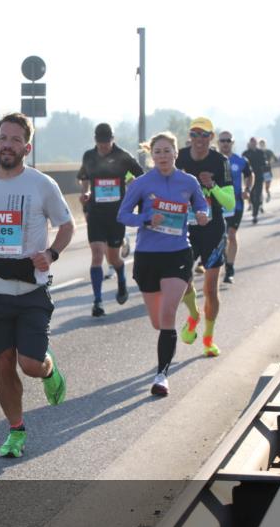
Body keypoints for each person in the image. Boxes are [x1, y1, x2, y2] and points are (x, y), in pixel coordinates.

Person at [0, 113, 73, 459]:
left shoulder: (42, 184)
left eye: (16, 139)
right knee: (3, 363)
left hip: (31, 291)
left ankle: (49, 369)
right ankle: (15, 431)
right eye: (3, 137)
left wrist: (52, 253)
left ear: (26, 147)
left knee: (29, 364)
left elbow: (66, 225)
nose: (7, 144)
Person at [118, 132, 209, 396]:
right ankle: (179, 326)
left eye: (167, 151)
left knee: (168, 315)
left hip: (178, 254)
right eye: (157, 152)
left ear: (176, 153)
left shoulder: (188, 182)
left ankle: (161, 376)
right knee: (159, 323)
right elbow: (122, 215)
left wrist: (202, 215)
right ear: (151, 155)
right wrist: (146, 219)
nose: (162, 156)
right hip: (147, 256)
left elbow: (202, 207)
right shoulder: (142, 184)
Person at [176, 118, 235, 357]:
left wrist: (213, 186)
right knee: (181, 281)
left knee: (211, 289)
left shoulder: (220, 161)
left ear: (211, 138)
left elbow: (230, 202)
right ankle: (193, 315)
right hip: (184, 228)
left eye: (204, 135)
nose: (199, 140)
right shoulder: (178, 158)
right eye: (195, 134)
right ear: (189, 136)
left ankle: (209, 339)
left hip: (212, 230)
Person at [76, 123, 143, 316]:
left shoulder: (123, 156)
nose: (103, 147)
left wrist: (132, 191)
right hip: (95, 212)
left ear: (112, 139)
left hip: (117, 214)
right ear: (95, 140)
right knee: (97, 254)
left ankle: (121, 279)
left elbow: (141, 176)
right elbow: (84, 178)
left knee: (113, 257)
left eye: (106, 143)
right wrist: (85, 192)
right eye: (100, 143)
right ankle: (97, 302)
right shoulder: (89, 156)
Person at [217, 131, 252, 284]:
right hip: (217, 204)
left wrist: (247, 189)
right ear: (218, 143)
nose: (225, 143)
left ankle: (229, 268)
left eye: (228, 140)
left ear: (232, 142)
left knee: (231, 234)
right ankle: (220, 259)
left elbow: (250, 175)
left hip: (236, 204)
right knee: (220, 237)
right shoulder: (213, 160)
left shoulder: (240, 160)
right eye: (222, 140)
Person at [242, 137, 267, 224]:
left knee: (258, 194)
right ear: (250, 143)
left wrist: (263, 164)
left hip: (259, 176)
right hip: (248, 177)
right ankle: (253, 206)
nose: (253, 144)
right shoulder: (245, 153)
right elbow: (242, 165)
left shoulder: (260, 152)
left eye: (254, 142)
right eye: (252, 142)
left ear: (256, 143)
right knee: (252, 195)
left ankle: (255, 215)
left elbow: (264, 162)